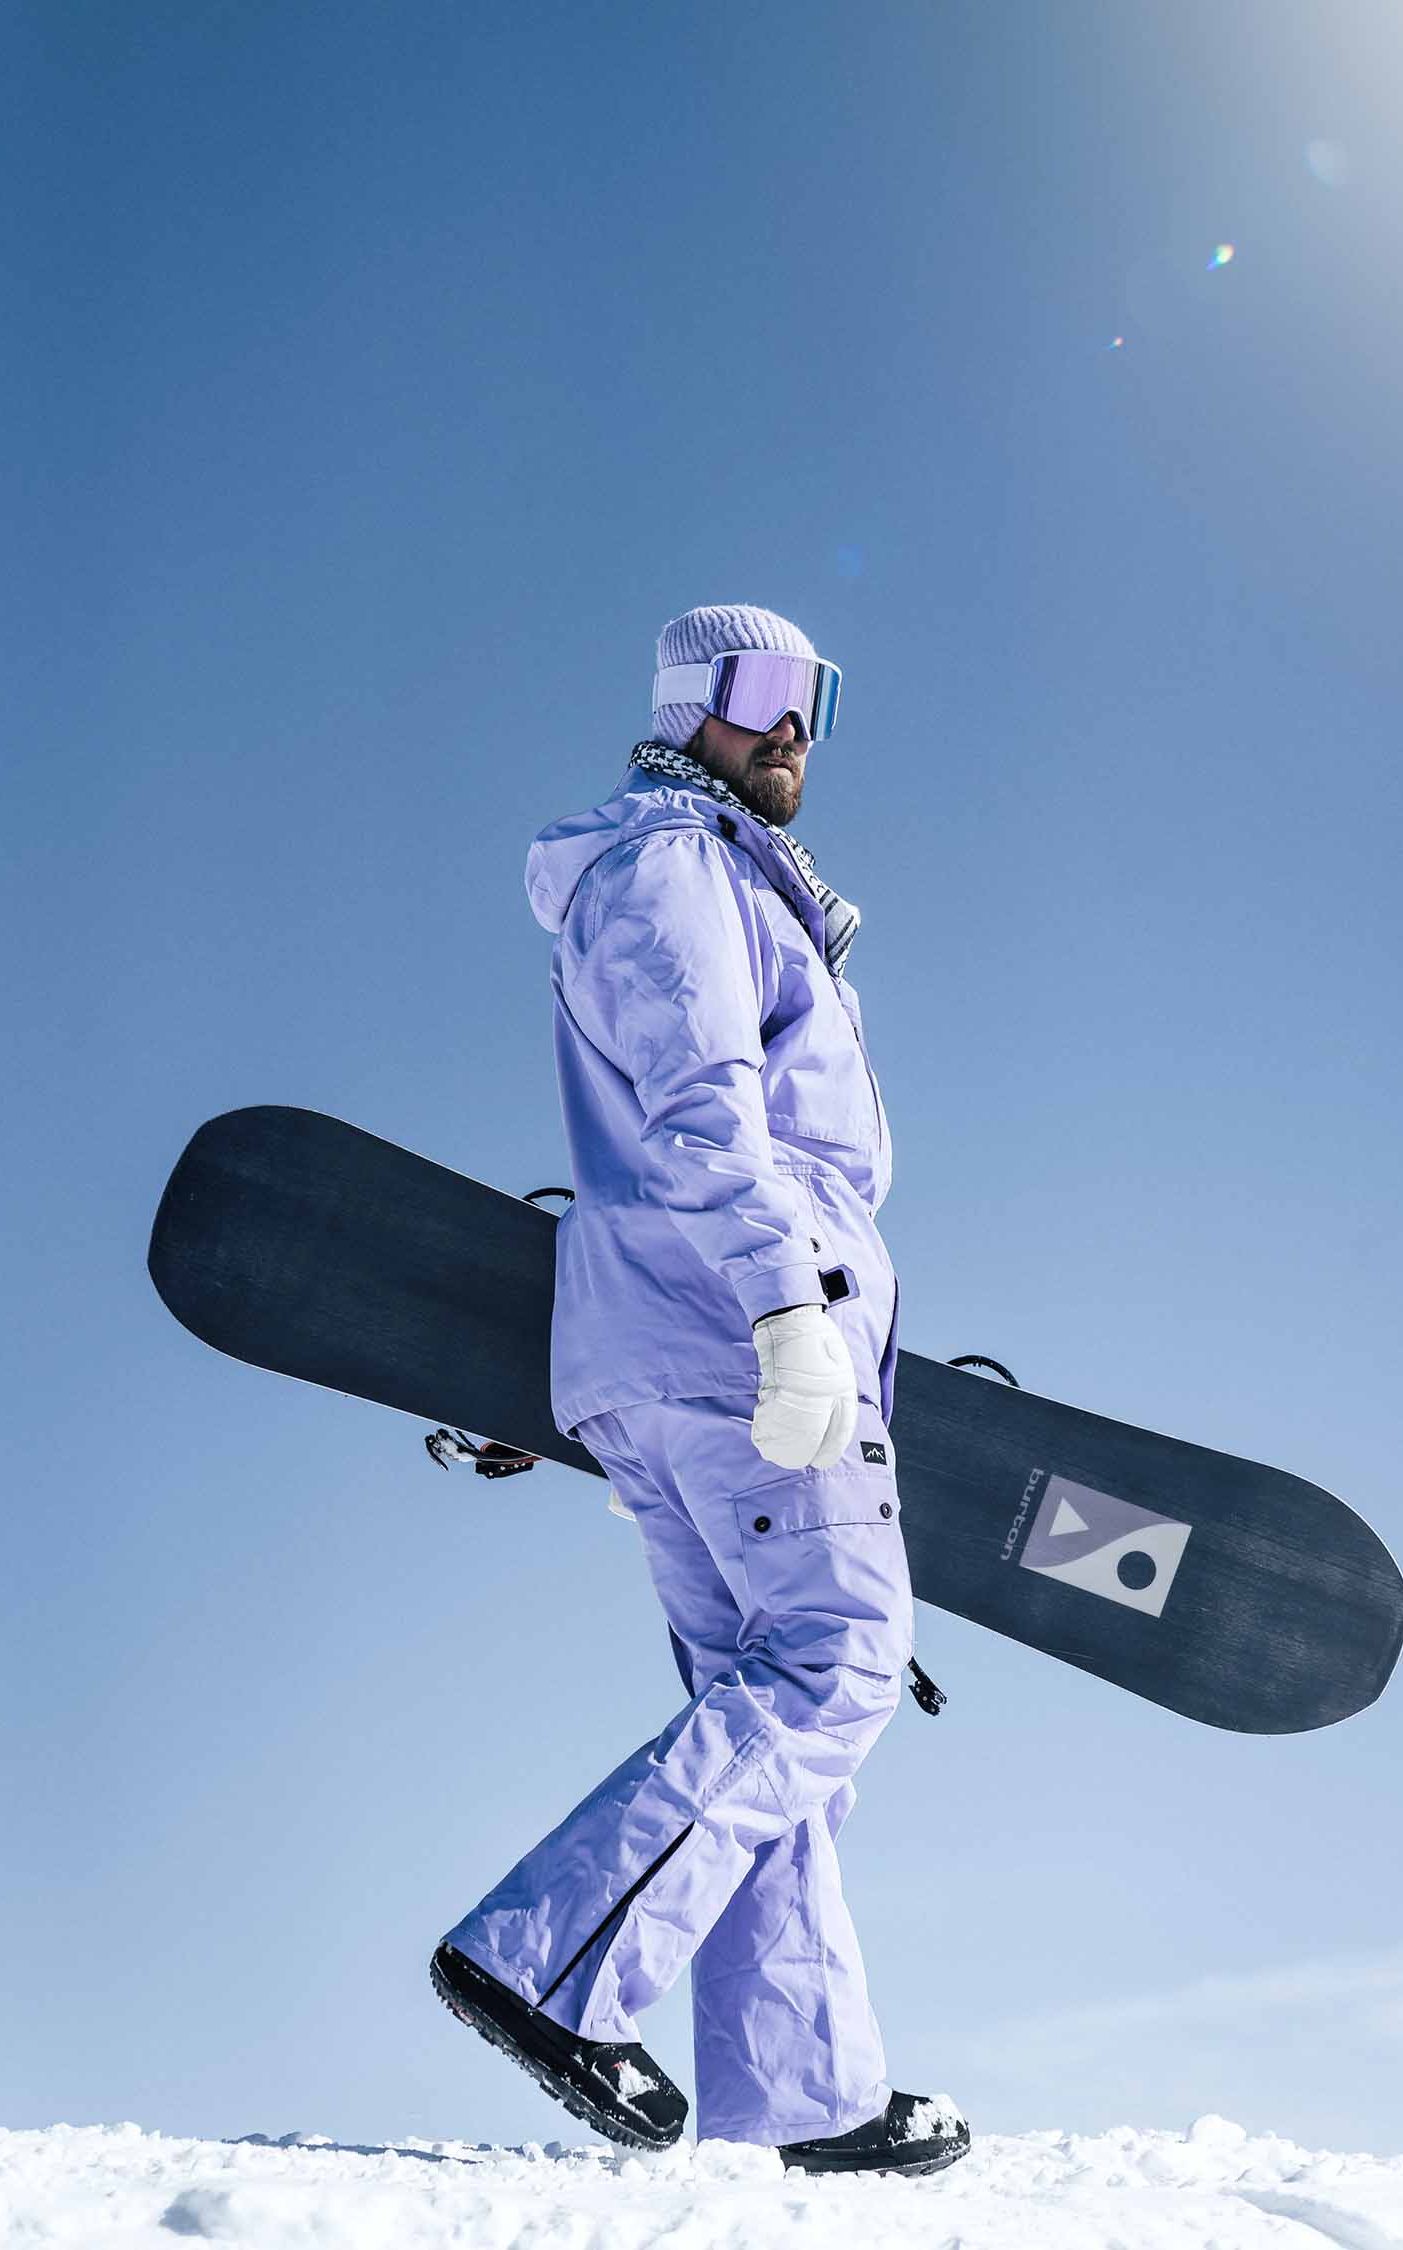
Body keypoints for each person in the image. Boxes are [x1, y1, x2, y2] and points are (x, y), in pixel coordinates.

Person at [431, 603, 969, 2178]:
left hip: (681, 1345)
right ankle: (546, 1957)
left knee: (764, 1707)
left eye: (817, 698)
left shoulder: (723, 881)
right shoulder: (675, 868)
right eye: (762, 692)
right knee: (841, 1660)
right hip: (742, 1336)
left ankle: (800, 2087)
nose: (793, 724)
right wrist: (791, 1317)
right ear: (693, 701)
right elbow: (703, 1116)